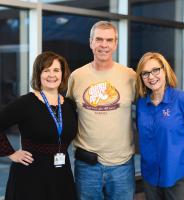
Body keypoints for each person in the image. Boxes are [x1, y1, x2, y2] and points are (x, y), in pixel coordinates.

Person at [67, 21, 136, 200]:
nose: (103, 45)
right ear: (91, 42)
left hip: (122, 165)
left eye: (109, 40)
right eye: (99, 39)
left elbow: (150, 107)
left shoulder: (130, 76)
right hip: (87, 164)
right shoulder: (77, 76)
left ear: (115, 44)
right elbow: (66, 112)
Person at [0, 51, 78, 200]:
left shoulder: (69, 104)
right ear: (38, 74)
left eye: (56, 70)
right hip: (30, 176)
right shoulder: (26, 103)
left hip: (62, 175)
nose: (51, 75)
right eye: (46, 70)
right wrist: (11, 153)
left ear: (63, 74)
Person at [135, 52, 184, 200]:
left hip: (177, 173)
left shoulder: (182, 99)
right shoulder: (141, 104)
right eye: (145, 73)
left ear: (165, 70)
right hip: (150, 176)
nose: (151, 77)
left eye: (155, 70)